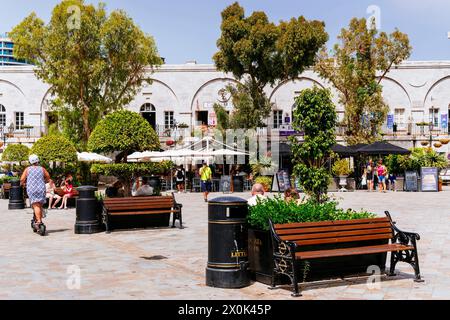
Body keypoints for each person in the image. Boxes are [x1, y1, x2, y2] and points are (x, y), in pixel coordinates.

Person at [20, 155, 51, 226]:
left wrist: (22, 184)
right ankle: (38, 219)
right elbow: (48, 177)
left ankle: (39, 221)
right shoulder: (42, 169)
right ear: (38, 160)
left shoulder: (28, 169)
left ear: (30, 161)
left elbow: (22, 179)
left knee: (36, 205)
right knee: (39, 204)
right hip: (41, 188)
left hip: (32, 189)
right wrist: (44, 181)